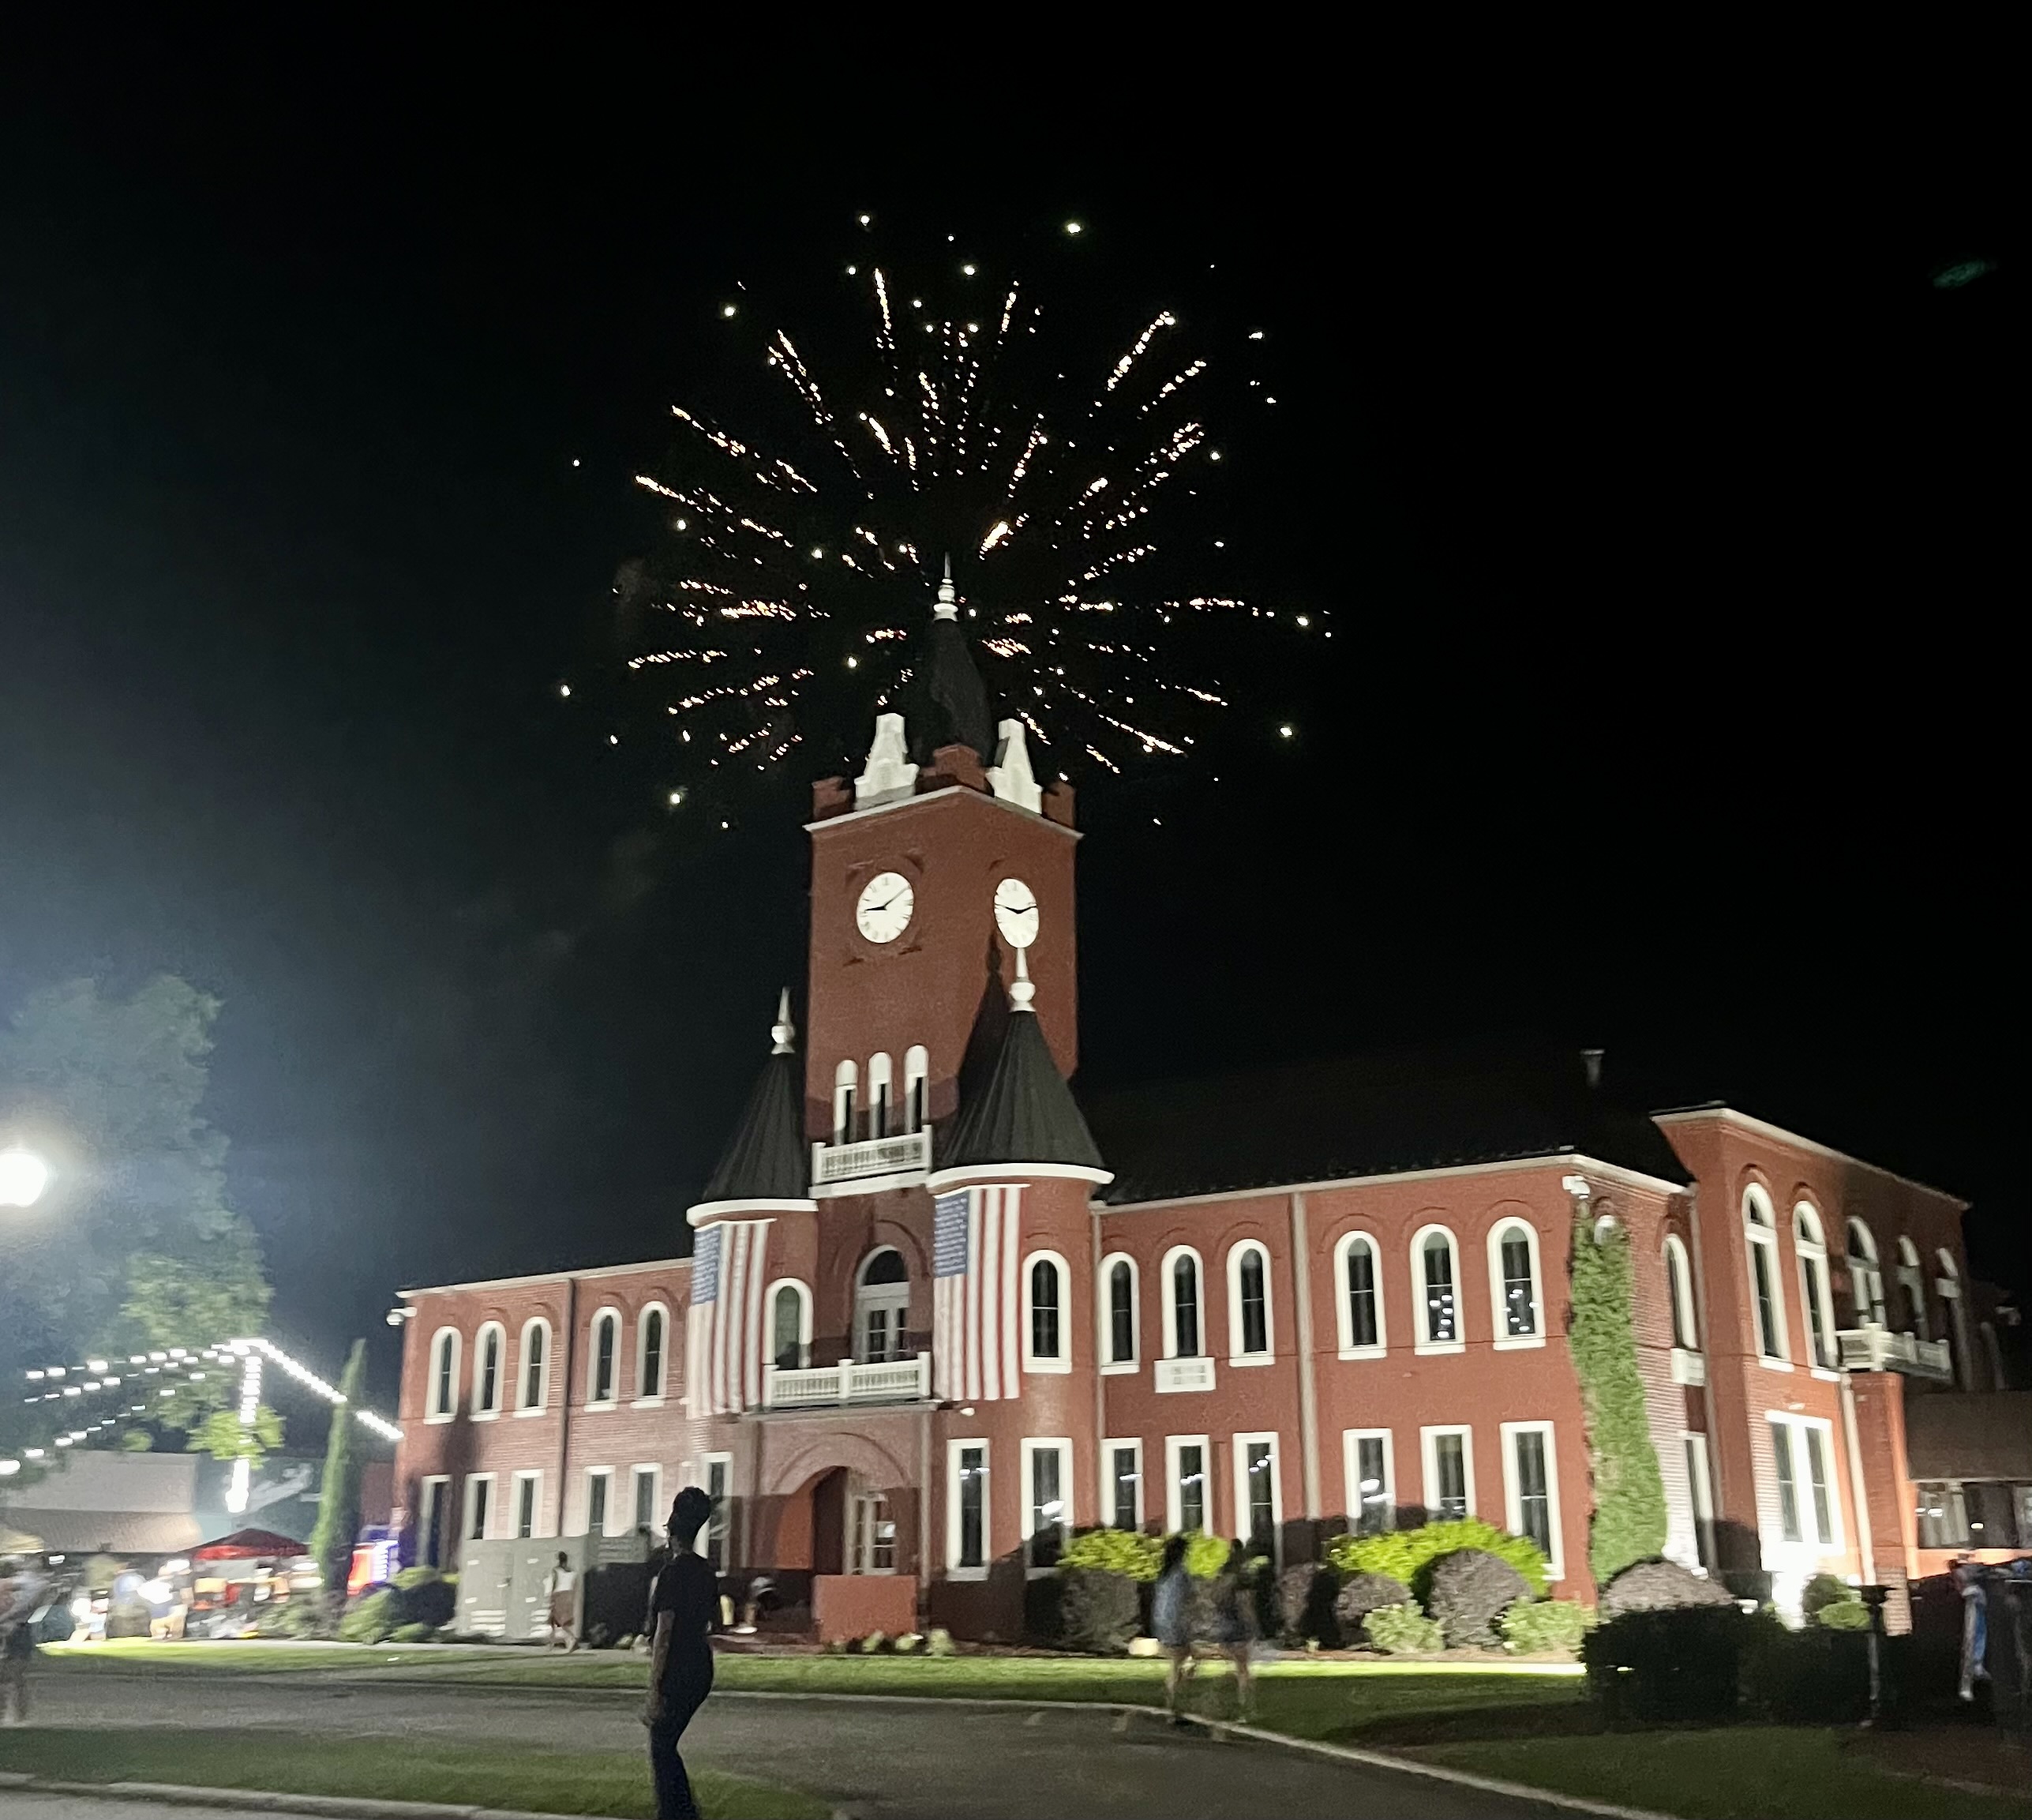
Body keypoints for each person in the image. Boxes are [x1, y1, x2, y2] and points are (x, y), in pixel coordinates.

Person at [644, 1488, 718, 1820]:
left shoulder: (670, 1574)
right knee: (665, 1741)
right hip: (702, 1666)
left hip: (678, 1667)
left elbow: (664, 1634)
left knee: (661, 1742)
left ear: (672, 1536)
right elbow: (710, 1622)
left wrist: (654, 1688)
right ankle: (680, 1810)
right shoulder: (705, 1571)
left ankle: (677, 1812)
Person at [1209, 1540, 1258, 1723]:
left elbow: (1214, 1598)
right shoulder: (1242, 1577)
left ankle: (1219, 1704)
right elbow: (1245, 1605)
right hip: (1238, 1626)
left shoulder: (1222, 1575)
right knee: (1243, 1671)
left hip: (1224, 1625)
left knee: (1232, 1667)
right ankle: (1245, 1710)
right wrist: (1252, 1627)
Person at [1151, 1533, 1197, 1724]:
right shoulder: (1181, 1574)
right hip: (1176, 1624)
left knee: (1181, 1663)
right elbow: (1188, 1599)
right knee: (1184, 1664)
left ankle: (1174, 1701)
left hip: (1162, 1623)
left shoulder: (1164, 1573)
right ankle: (1174, 1708)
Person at [542, 1552, 578, 1651]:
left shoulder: (556, 1571)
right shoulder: (571, 1572)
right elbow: (574, 1585)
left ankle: (571, 1639)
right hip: (568, 1595)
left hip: (558, 1595)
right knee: (553, 1620)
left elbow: (554, 1583)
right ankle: (552, 1642)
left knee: (560, 1621)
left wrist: (551, 1598)